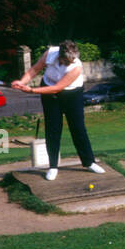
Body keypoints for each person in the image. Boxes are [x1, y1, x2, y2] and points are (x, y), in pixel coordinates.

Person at [12, 40, 105, 181]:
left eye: (73, 59)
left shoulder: (76, 67)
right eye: (68, 60)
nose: (71, 62)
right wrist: (22, 82)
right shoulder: (50, 53)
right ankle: (53, 167)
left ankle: (89, 162)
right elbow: (35, 69)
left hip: (72, 94)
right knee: (53, 129)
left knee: (78, 128)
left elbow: (57, 88)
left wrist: (31, 90)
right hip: (49, 91)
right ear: (60, 56)